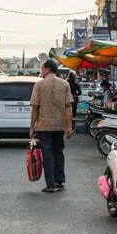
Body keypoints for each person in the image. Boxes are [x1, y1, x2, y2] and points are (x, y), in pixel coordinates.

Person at [30, 58, 74, 194]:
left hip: (43, 126)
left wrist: (32, 127)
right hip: (59, 126)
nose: (41, 71)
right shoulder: (65, 84)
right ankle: (59, 181)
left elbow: (35, 108)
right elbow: (68, 107)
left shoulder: (39, 85)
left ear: (47, 69)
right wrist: (69, 126)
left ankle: (50, 184)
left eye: (42, 68)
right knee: (58, 152)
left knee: (47, 154)